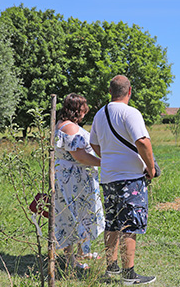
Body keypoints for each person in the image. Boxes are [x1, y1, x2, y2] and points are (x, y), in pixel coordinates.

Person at [90, 75, 157, 285]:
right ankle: (129, 274)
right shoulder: (131, 113)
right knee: (131, 223)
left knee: (112, 222)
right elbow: (143, 142)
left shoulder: (100, 114)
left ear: (111, 91)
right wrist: (151, 167)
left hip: (108, 177)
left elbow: (94, 144)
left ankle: (111, 267)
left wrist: (110, 156)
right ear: (130, 91)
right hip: (131, 178)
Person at [53, 93, 105, 270]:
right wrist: (103, 162)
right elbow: (80, 156)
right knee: (72, 215)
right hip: (73, 178)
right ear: (77, 110)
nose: (85, 113)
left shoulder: (63, 125)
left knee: (80, 213)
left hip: (72, 176)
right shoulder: (70, 129)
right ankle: (70, 260)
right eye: (83, 109)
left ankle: (83, 251)